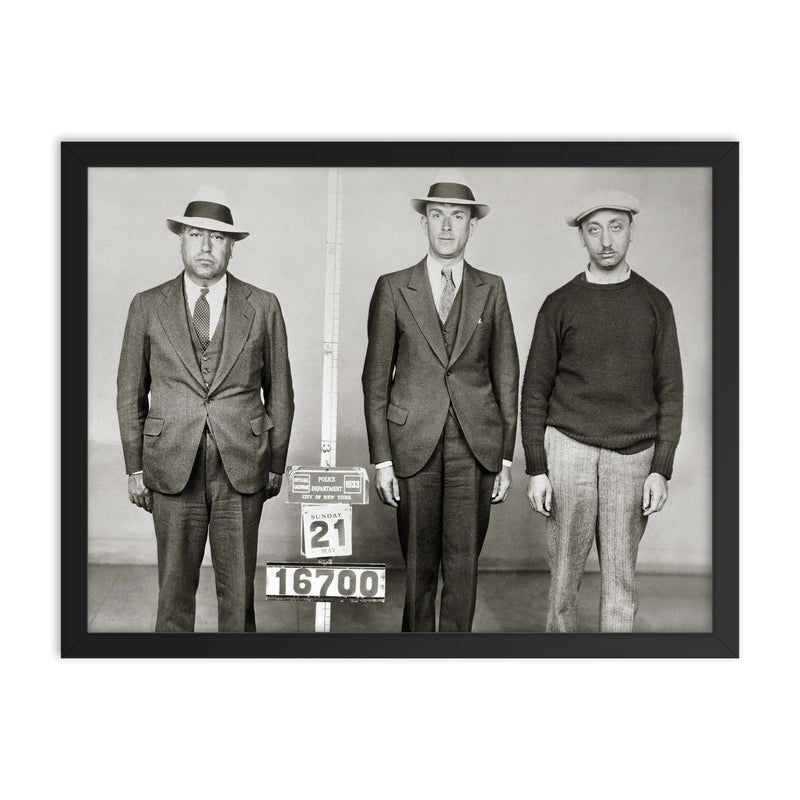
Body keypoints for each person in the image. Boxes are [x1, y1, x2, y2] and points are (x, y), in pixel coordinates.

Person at [116, 185, 294, 632]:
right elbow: (129, 393)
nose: (206, 246)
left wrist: (275, 461)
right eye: (196, 234)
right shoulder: (147, 305)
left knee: (238, 596)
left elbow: (282, 392)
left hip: (243, 463)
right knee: (174, 592)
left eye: (217, 237)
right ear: (181, 240)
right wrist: (134, 467)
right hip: (170, 462)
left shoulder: (264, 305)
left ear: (232, 247)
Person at [361, 171, 519, 632]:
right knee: (419, 568)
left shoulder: (493, 289)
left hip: (476, 447)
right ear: (423, 224)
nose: (447, 226)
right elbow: (375, 381)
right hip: (412, 444)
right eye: (437, 216)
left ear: (473, 226)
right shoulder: (393, 287)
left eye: (458, 216)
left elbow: (505, 375)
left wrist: (506, 458)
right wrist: (382, 461)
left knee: (464, 568)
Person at [521, 189, 683, 632]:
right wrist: (537, 467)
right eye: (594, 229)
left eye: (616, 227)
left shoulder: (655, 303)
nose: (606, 240)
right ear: (582, 237)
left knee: (620, 579)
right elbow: (534, 390)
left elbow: (671, 390)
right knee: (563, 581)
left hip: (633, 456)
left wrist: (661, 468)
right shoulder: (559, 304)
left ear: (631, 230)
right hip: (567, 448)